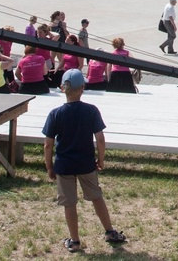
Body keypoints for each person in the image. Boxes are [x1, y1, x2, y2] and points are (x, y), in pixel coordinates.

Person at [43, 69, 128, 253]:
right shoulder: (91, 110)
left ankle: (74, 241)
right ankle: (109, 231)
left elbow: (48, 145)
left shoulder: (55, 114)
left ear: (62, 88)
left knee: (69, 203)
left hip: (64, 165)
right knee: (96, 197)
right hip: (86, 163)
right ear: (83, 88)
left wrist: (49, 166)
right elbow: (100, 138)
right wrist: (101, 159)